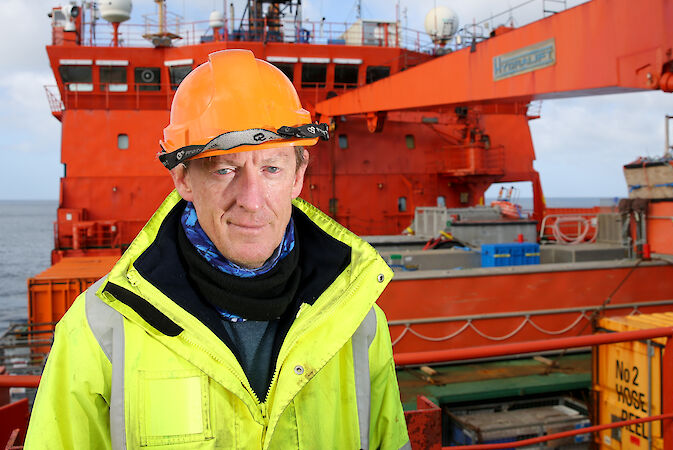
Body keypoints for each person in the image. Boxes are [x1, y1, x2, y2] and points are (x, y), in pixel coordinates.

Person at [26, 49, 410, 449]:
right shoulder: (99, 331)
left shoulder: (360, 320)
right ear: (184, 180)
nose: (251, 199)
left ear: (298, 176)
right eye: (224, 168)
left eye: (271, 168)